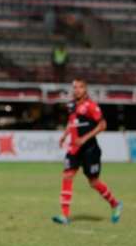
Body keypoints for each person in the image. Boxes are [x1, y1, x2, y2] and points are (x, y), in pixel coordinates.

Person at [52, 78, 122, 225]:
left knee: (93, 182)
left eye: (80, 87)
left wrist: (84, 138)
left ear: (85, 89)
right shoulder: (71, 104)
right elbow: (72, 122)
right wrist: (65, 135)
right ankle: (64, 216)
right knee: (67, 175)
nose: (76, 90)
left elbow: (103, 125)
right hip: (74, 148)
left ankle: (115, 204)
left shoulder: (91, 106)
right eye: (74, 87)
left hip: (90, 149)